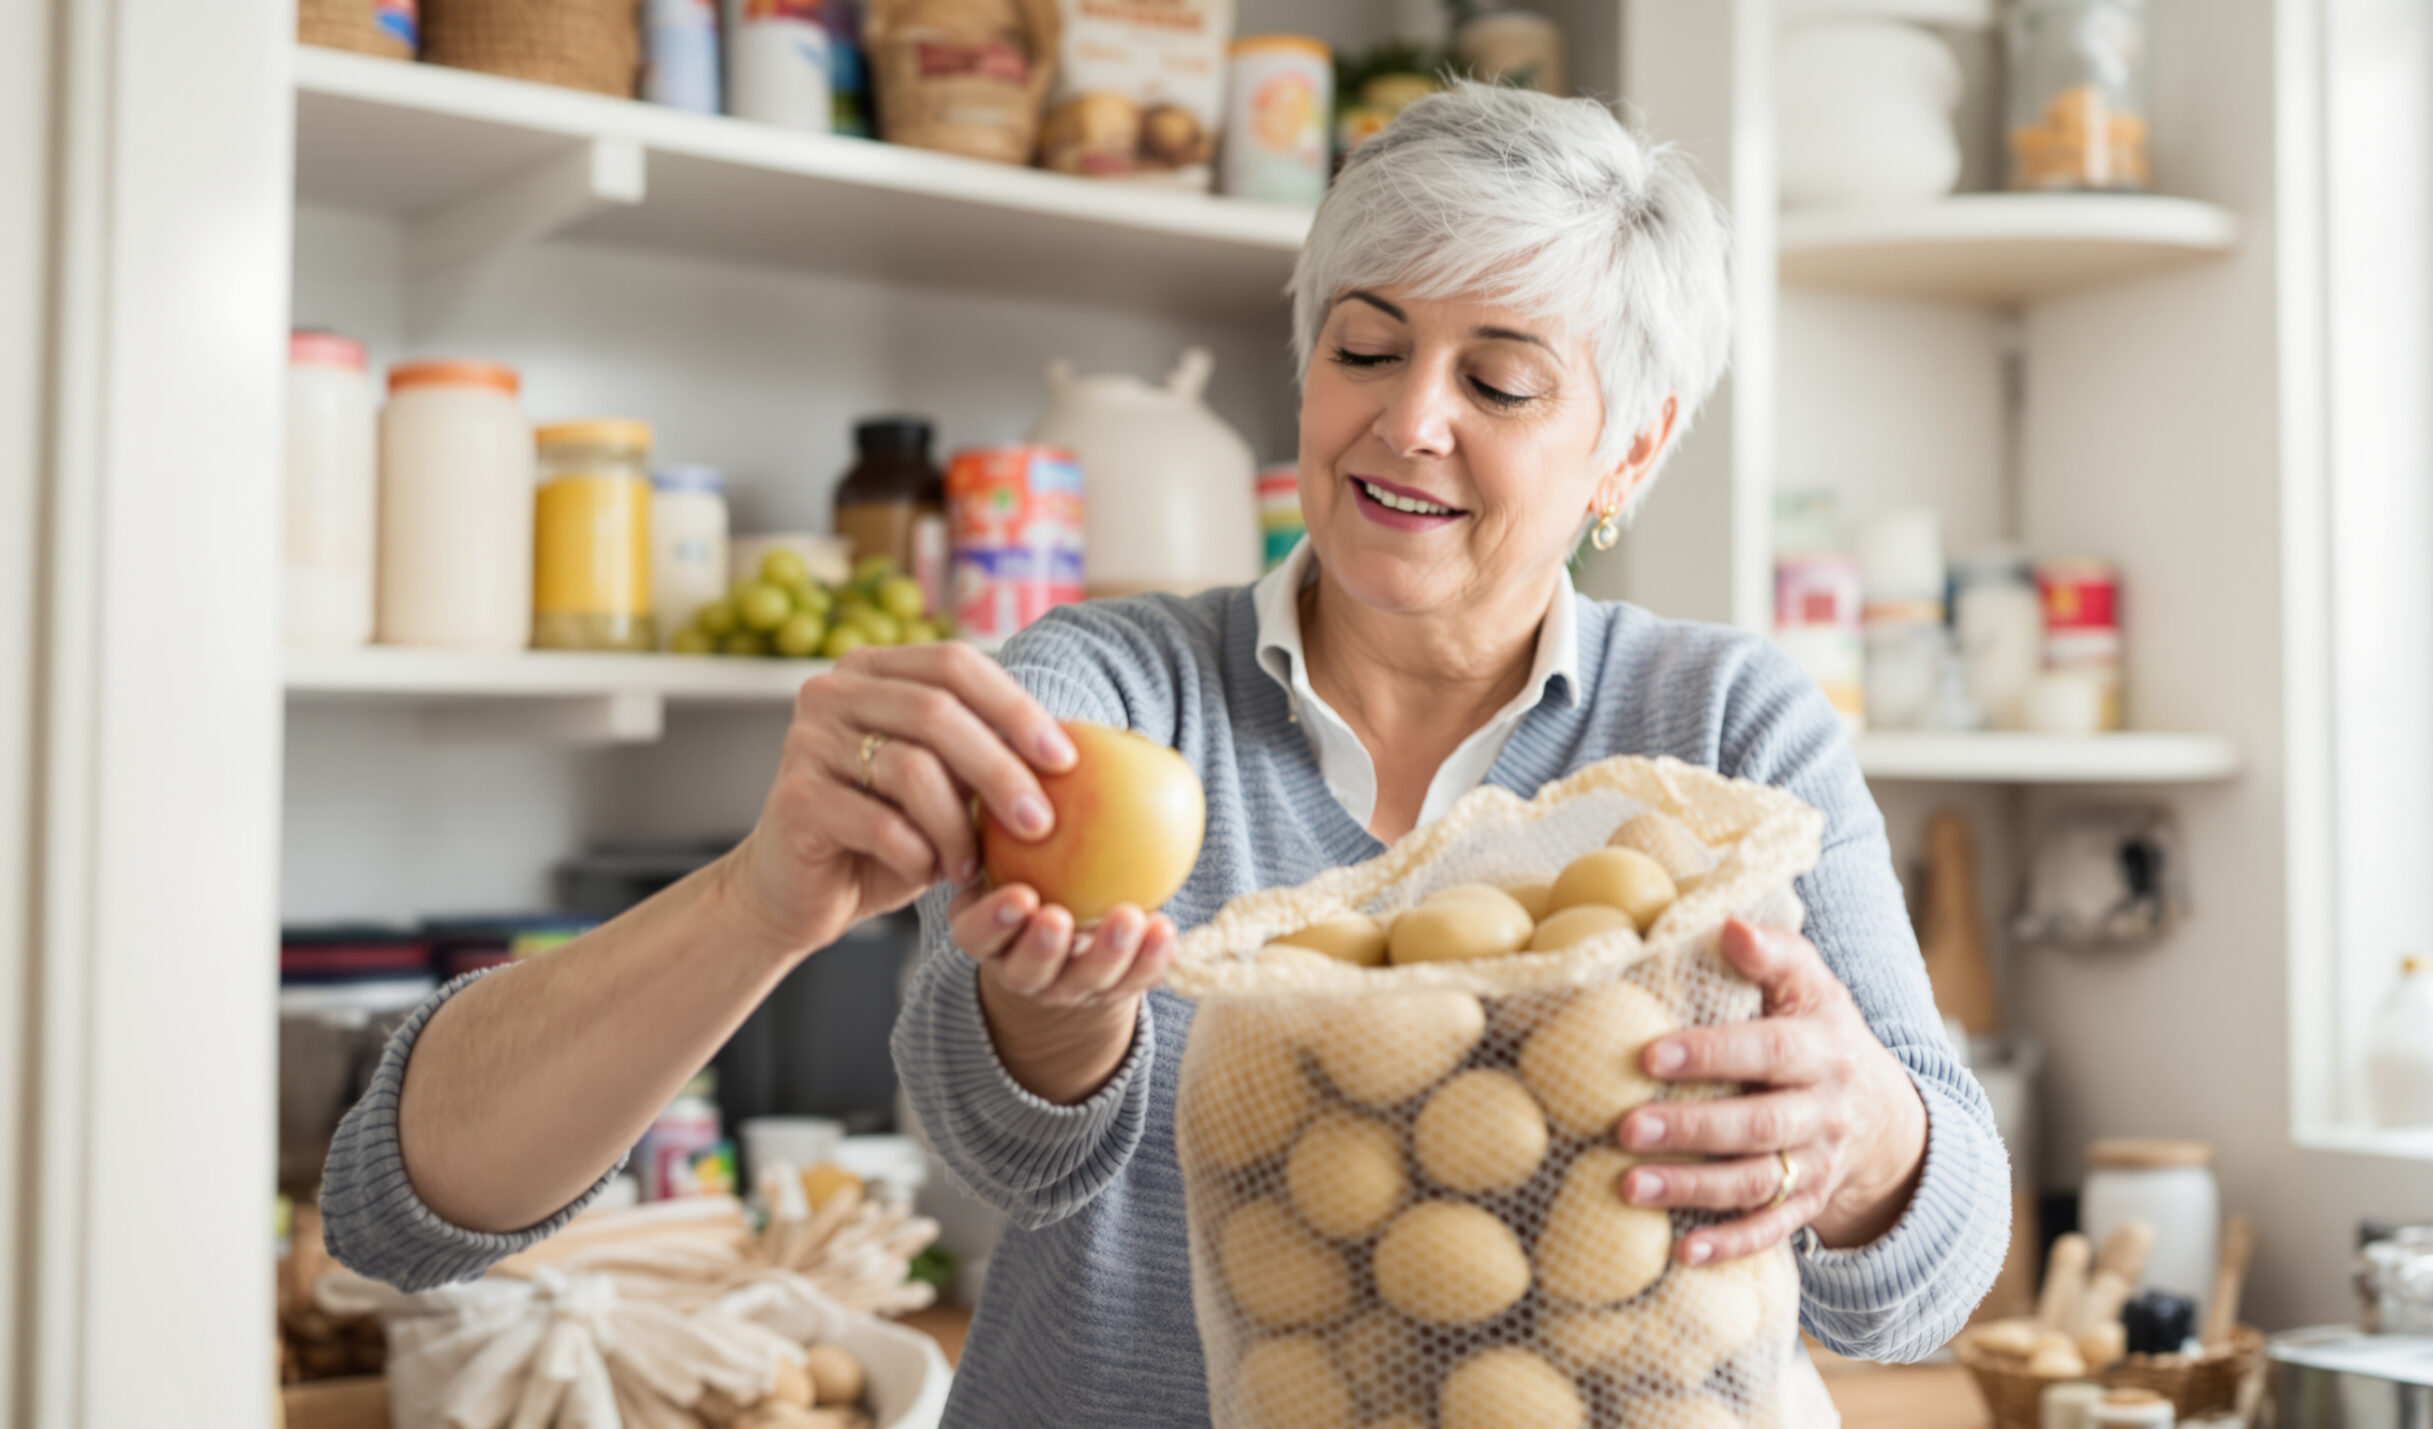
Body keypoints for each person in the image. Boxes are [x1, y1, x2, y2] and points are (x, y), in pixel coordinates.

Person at [321, 81, 2008, 1424]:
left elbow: (1920, 1282)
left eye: (1499, 379)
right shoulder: (1110, 693)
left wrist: (1859, 1138)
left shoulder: (1726, 737)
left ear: (1625, 452)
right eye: (1363, 347)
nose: (1406, 417)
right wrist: (1024, 1003)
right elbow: (999, 1144)